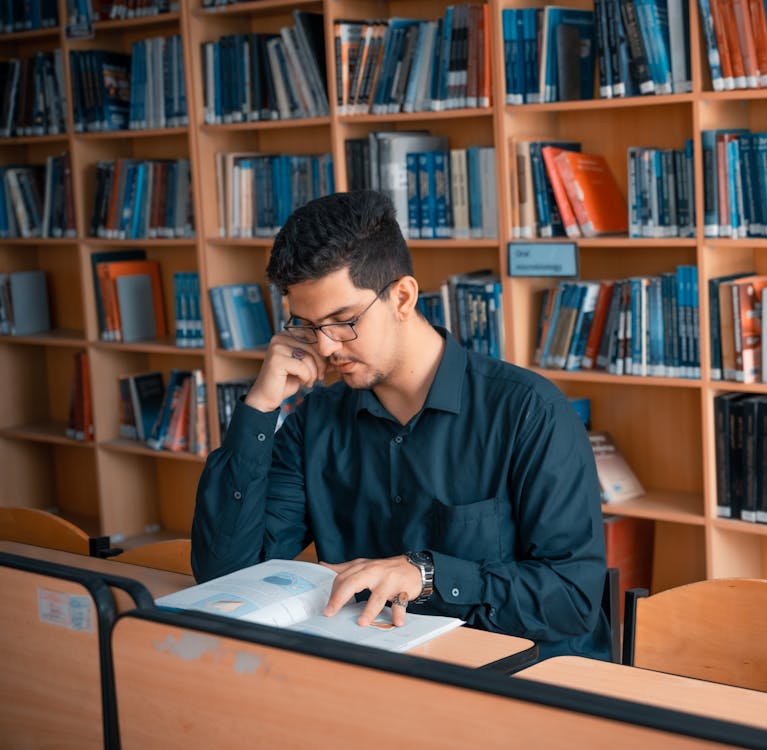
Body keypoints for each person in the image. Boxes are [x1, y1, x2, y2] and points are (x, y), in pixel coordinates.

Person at [192, 190, 611, 661]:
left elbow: (572, 600)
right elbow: (227, 577)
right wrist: (261, 406)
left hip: (516, 684)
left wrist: (427, 576)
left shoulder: (530, 412)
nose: (325, 348)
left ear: (403, 297)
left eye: (343, 320)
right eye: (307, 326)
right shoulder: (316, 422)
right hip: (375, 674)